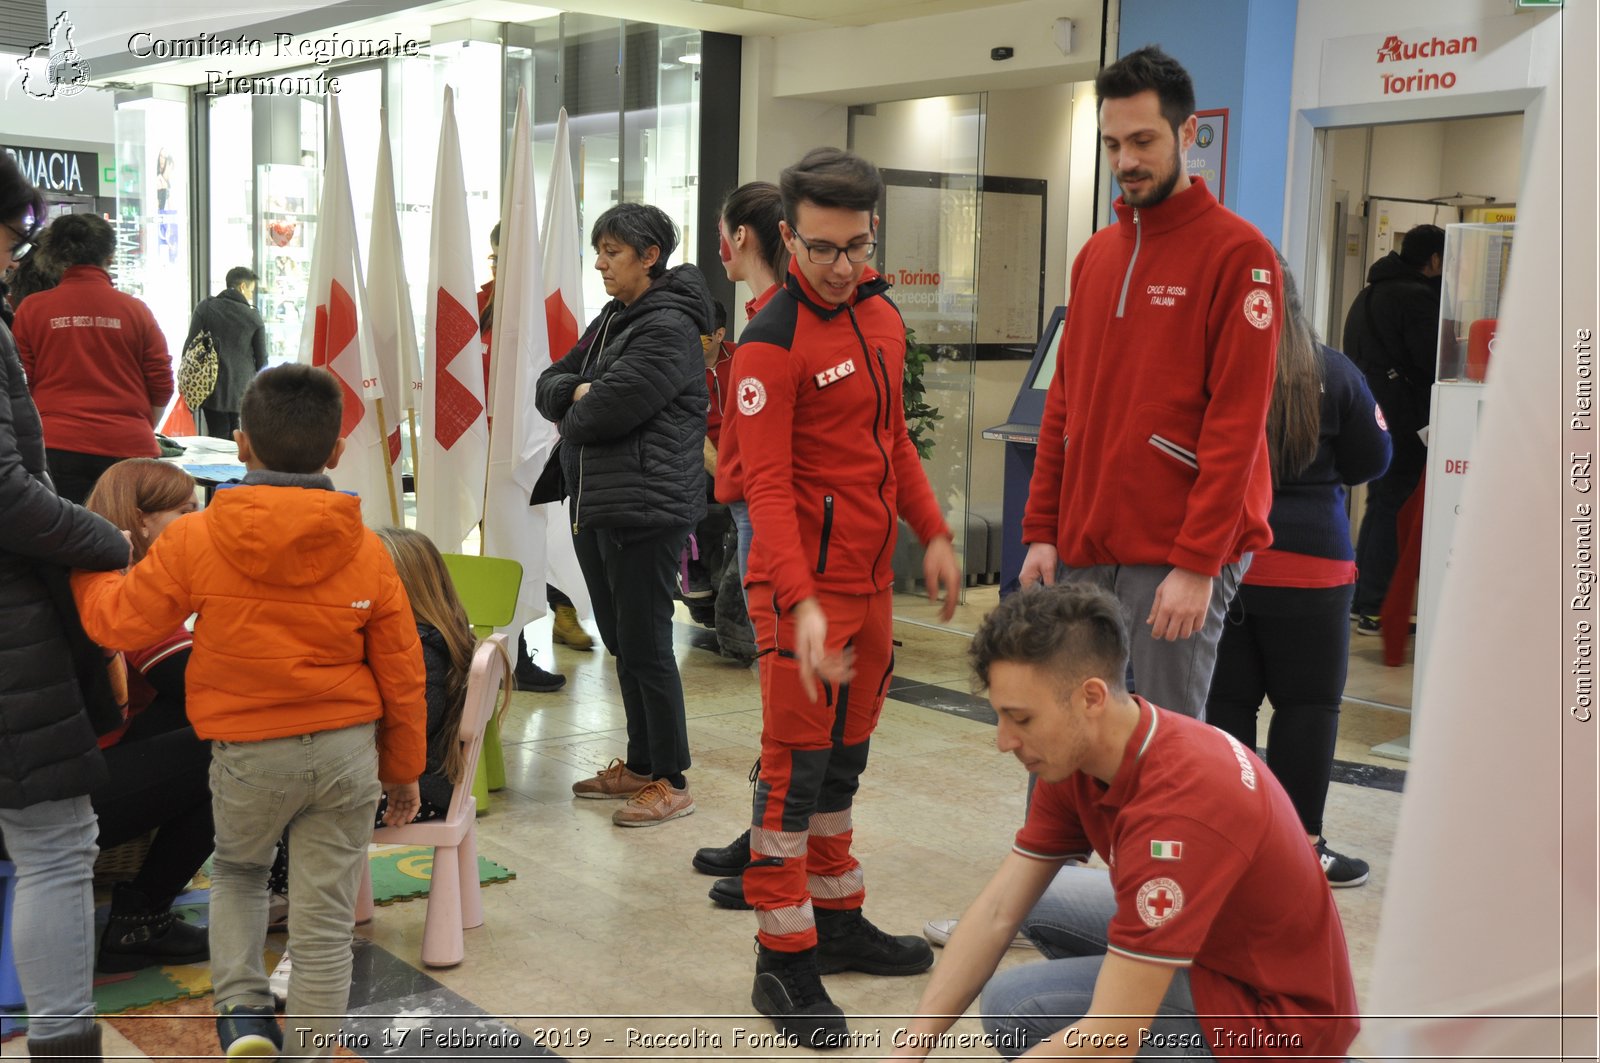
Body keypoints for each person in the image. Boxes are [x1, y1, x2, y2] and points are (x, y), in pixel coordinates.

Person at [72, 363, 427, 1060]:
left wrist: (87, 556)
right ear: (334, 453)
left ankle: (242, 1016)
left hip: (249, 751)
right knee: (324, 922)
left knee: (237, 874)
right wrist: (404, 768)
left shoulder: (194, 539)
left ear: (240, 444)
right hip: (348, 751)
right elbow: (402, 672)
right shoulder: (369, 551)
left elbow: (115, 621)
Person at [887, 582, 1358, 1061]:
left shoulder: (1179, 810)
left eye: (1021, 719)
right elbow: (997, 910)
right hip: (1216, 950)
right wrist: (908, 1050)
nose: (1004, 740)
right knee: (1042, 896)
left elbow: (1111, 1036)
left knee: (1019, 1005)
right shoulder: (1081, 751)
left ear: (1090, 697)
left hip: (1279, 1020)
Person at [730, 147, 961, 1046]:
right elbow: (769, 490)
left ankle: (835, 920)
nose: (840, 267)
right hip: (801, 592)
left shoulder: (880, 318)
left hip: (866, 588)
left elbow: (892, 440)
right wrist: (801, 601)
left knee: (844, 765)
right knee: (791, 778)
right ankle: (781, 963)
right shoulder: (768, 343)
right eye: (821, 249)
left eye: (857, 247)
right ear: (787, 237)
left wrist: (933, 532)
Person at [1019, 45, 1279, 720]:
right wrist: (1042, 529)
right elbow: (1065, 406)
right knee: (1064, 731)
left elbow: (1238, 422)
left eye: (1143, 140)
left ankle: (1157, 837)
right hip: (1083, 544)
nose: (1125, 160)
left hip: (1176, 556)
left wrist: (1197, 563)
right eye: (1112, 144)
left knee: (1165, 747)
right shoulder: (1096, 257)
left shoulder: (1240, 254)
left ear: (1188, 134)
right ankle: (1061, 837)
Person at [1205, 258, 1391, 889]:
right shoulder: (1333, 371)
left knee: (1226, 706)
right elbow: (1373, 458)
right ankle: (1299, 849)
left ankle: (1228, 844)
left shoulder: (1214, 368)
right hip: (1315, 568)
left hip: (1228, 560)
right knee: (1308, 708)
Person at [0, 148, 128, 1063]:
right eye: (9, 240)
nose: (12, 258)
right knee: (53, 842)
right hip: (14, 601)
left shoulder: (32, 312)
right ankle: (61, 1047)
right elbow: (8, 493)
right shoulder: (118, 307)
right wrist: (114, 540)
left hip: (57, 497)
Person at [267, 525, 505, 1004]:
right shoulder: (420, 635)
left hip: (416, 789)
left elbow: (405, 733)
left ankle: (312, 943)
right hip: (405, 777)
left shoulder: (420, 647)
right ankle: (288, 895)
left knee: (308, 806)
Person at [535, 203, 712, 827]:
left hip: (647, 506)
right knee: (622, 643)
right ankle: (641, 763)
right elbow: (550, 383)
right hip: (601, 502)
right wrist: (576, 389)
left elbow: (596, 414)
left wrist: (580, 395)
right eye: (599, 250)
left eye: (613, 252)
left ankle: (672, 779)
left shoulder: (667, 327)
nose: (600, 262)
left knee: (647, 645)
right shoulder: (615, 317)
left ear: (650, 256)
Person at [692, 179, 795, 892]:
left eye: (723, 233)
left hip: (769, 517)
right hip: (746, 512)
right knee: (771, 686)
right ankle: (765, 826)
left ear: (743, 238)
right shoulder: (759, 313)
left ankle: (774, 837)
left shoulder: (779, 321)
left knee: (781, 684)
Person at [82, 459, 215, 972]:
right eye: (185, 510)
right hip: (55, 793)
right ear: (140, 520)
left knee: (216, 730)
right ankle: (140, 920)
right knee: (232, 746)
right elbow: (195, 680)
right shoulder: (125, 583)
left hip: (59, 773)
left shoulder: (106, 572)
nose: (198, 522)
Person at [12, 213, 172, 504]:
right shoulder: (135, 311)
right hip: (128, 449)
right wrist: (138, 424)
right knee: (128, 541)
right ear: (109, 255)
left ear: (56, 254)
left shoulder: (32, 310)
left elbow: (22, 386)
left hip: (56, 447)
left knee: (65, 543)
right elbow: (162, 383)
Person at [477, 221, 576, 686]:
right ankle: (485, 651)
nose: (498, 266)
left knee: (521, 553)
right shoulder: (478, 304)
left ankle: (515, 653)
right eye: (496, 257)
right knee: (486, 556)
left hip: (526, 452)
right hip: (480, 449)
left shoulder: (544, 309)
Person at [1343, 223, 1445, 634]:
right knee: (1395, 506)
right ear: (1434, 260)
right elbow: (1431, 359)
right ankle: (1376, 606)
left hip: (1372, 413)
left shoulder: (1369, 294)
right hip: (1407, 417)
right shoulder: (1417, 299)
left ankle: (1361, 599)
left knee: (1380, 502)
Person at [185, 266, 268, 440]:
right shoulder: (253, 316)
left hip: (210, 387)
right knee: (236, 437)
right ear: (242, 287)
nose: (251, 296)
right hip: (242, 389)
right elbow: (262, 360)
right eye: (251, 291)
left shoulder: (206, 307)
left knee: (217, 436)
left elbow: (189, 347)